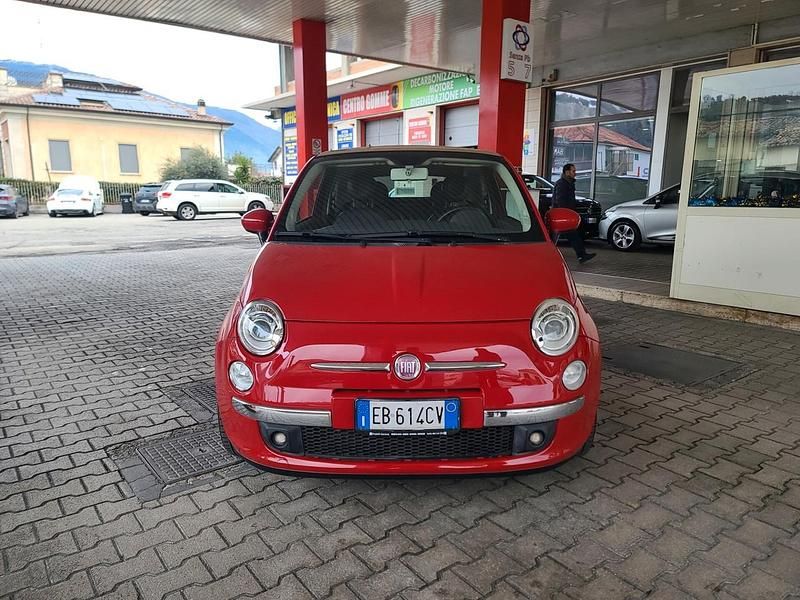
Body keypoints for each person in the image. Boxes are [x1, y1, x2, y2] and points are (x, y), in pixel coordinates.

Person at [552, 163, 596, 264]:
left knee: (570, 235)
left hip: (566, 215)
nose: (575, 173)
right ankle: (581, 255)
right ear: (567, 172)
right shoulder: (562, 184)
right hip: (563, 216)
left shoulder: (568, 183)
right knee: (565, 235)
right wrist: (567, 213)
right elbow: (560, 200)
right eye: (573, 171)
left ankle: (581, 255)